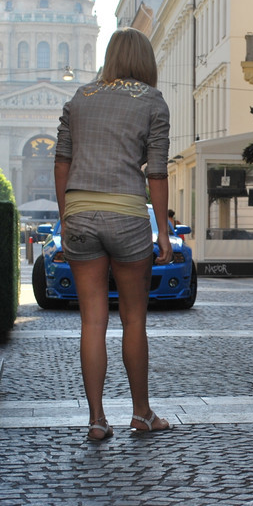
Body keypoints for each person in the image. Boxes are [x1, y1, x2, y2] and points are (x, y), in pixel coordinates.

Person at [54, 27, 173, 441]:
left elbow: (62, 163)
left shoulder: (79, 98)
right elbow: (157, 172)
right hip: (126, 214)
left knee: (92, 320)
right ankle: (141, 414)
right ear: (144, 60)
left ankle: (96, 420)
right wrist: (163, 231)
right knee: (134, 318)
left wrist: (66, 217)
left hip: (80, 213)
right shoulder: (152, 101)